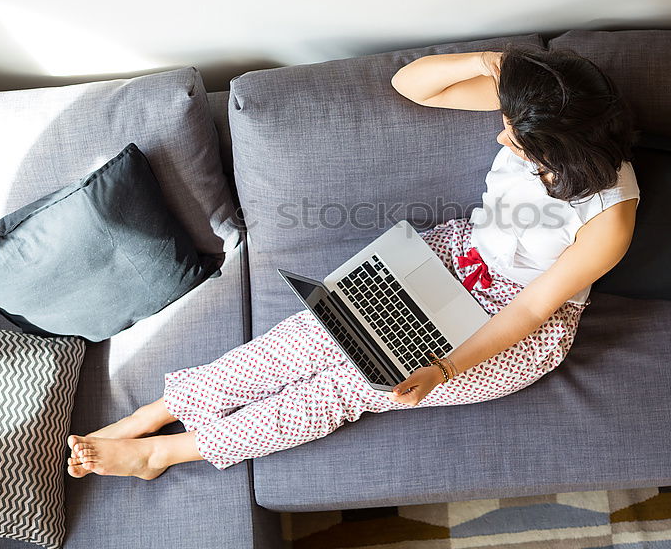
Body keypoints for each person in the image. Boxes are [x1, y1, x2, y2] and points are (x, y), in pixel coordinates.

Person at [65, 45, 640, 480]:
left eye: (515, 138)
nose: (500, 135)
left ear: (560, 152)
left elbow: (535, 306)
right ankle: (155, 412)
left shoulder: (608, 220)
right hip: (453, 257)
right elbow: (412, 86)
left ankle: (164, 451)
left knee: (354, 383)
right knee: (309, 337)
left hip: (514, 326)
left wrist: (441, 370)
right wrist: (500, 66)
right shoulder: (542, 113)